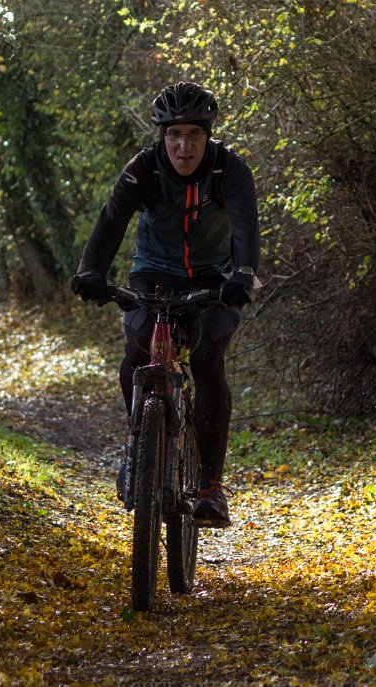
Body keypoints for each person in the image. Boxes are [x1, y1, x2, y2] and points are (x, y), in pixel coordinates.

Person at [72, 81, 259, 524]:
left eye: (193, 134)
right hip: (154, 272)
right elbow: (112, 220)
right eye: (174, 134)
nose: (183, 146)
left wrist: (243, 275)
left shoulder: (229, 169)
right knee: (137, 353)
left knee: (208, 358)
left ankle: (210, 487)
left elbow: (246, 227)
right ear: (162, 136)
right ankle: (138, 447)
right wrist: (90, 271)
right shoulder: (144, 168)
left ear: (207, 136)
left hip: (215, 278)